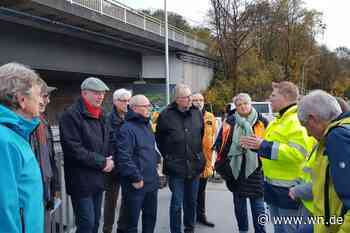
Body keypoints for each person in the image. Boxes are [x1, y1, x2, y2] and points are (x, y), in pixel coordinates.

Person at [240, 81, 316, 233]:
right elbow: (273, 149)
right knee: (279, 229)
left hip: (289, 191)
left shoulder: (295, 121)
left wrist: (263, 146)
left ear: (286, 97)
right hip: (274, 188)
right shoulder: (279, 120)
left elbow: (298, 154)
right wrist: (258, 146)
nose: (269, 98)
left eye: (273, 95)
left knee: (289, 230)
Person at [59, 77, 113, 233]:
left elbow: (109, 140)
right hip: (80, 181)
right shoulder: (71, 115)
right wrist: (103, 162)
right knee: (86, 224)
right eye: (96, 93)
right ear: (84, 93)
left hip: (98, 178)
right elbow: (74, 150)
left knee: (95, 222)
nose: (101, 96)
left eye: (102, 93)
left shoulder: (102, 114)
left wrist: (111, 159)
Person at [0, 62, 45, 233]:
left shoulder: (13, 135)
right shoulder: (5, 141)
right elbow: (4, 210)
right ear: (22, 99)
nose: (41, 100)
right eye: (38, 95)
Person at [297, 90, 350, 233]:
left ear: (313, 118)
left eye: (305, 125)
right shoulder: (344, 130)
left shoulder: (337, 137)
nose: (308, 133)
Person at [156, 84, 205, 233]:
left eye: (191, 96)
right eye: (186, 97)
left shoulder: (197, 113)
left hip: (194, 165)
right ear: (177, 99)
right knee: (177, 203)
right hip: (175, 167)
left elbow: (200, 135)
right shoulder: (165, 115)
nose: (190, 100)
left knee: (191, 201)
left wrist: (197, 155)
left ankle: (189, 229)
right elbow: (159, 139)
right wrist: (169, 156)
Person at [215, 93, 268, 233]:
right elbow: (221, 143)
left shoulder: (262, 122)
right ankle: (243, 230)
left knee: (258, 206)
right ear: (236, 107)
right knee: (239, 206)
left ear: (251, 104)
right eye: (239, 104)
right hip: (235, 169)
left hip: (256, 169)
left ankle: (260, 230)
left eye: (246, 103)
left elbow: (269, 144)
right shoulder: (230, 122)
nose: (243, 106)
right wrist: (227, 161)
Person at [116, 95, 160, 233]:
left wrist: (157, 160)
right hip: (136, 184)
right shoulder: (126, 129)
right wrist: (135, 177)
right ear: (134, 108)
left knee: (150, 218)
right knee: (130, 223)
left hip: (151, 182)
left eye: (149, 106)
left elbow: (148, 148)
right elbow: (124, 157)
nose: (149, 109)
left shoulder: (147, 125)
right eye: (145, 106)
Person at [31, 83, 60, 233]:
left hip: (45, 188)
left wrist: (55, 186)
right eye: (44, 96)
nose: (47, 101)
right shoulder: (27, 126)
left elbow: (50, 158)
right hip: (34, 191)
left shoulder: (43, 122)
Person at [103, 88, 131, 233]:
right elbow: (106, 144)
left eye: (128, 100)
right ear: (115, 102)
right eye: (123, 100)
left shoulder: (131, 118)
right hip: (114, 167)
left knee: (127, 200)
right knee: (111, 202)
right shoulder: (108, 119)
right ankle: (107, 229)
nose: (126, 103)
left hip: (128, 166)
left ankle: (121, 228)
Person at [192, 93, 216, 227]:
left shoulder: (210, 117)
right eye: (195, 100)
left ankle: (201, 216)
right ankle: (190, 216)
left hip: (205, 161)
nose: (198, 102)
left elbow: (214, 138)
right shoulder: (188, 116)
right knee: (191, 192)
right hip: (191, 161)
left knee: (201, 191)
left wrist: (212, 163)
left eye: (200, 100)